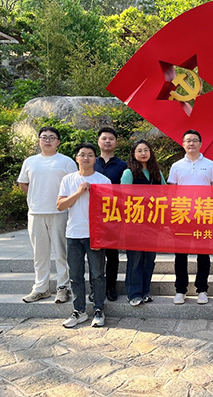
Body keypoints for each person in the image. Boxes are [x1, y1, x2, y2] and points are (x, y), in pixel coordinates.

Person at [17, 126, 77, 304]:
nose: (47, 140)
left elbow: (74, 186)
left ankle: (63, 287)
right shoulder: (30, 161)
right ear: (39, 141)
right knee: (40, 254)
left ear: (58, 142)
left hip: (60, 212)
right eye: (44, 137)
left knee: (61, 253)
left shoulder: (66, 162)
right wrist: (36, 197)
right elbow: (23, 183)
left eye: (52, 137)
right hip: (36, 212)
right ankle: (41, 288)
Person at [57, 143, 111, 328]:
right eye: (82, 155)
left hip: (95, 234)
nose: (86, 158)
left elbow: (109, 211)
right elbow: (60, 205)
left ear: (95, 159)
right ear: (76, 158)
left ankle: (99, 309)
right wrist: (79, 192)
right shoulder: (68, 180)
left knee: (98, 274)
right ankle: (79, 310)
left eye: (90, 155)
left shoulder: (104, 181)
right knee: (75, 275)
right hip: (73, 234)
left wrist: (102, 236)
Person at [167, 130, 213, 305]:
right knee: (180, 255)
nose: (191, 143)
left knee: (203, 255)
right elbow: (171, 193)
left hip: (203, 215)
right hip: (182, 216)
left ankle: (202, 289)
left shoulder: (211, 165)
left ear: (201, 144)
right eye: (188, 140)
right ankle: (180, 290)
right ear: (183, 144)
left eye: (195, 140)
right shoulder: (176, 166)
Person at [121, 140, 166, 306]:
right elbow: (124, 198)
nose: (143, 153)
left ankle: (145, 291)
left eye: (146, 150)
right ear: (134, 154)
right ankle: (133, 293)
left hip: (153, 223)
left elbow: (165, 194)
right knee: (135, 259)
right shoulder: (129, 173)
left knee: (149, 259)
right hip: (134, 223)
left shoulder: (157, 173)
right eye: (139, 150)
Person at [93, 127, 127, 302]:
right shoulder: (91, 162)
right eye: (104, 138)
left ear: (116, 142)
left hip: (114, 214)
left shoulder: (123, 166)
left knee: (112, 254)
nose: (107, 141)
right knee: (94, 253)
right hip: (93, 214)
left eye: (111, 138)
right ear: (98, 141)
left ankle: (111, 286)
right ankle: (95, 288)